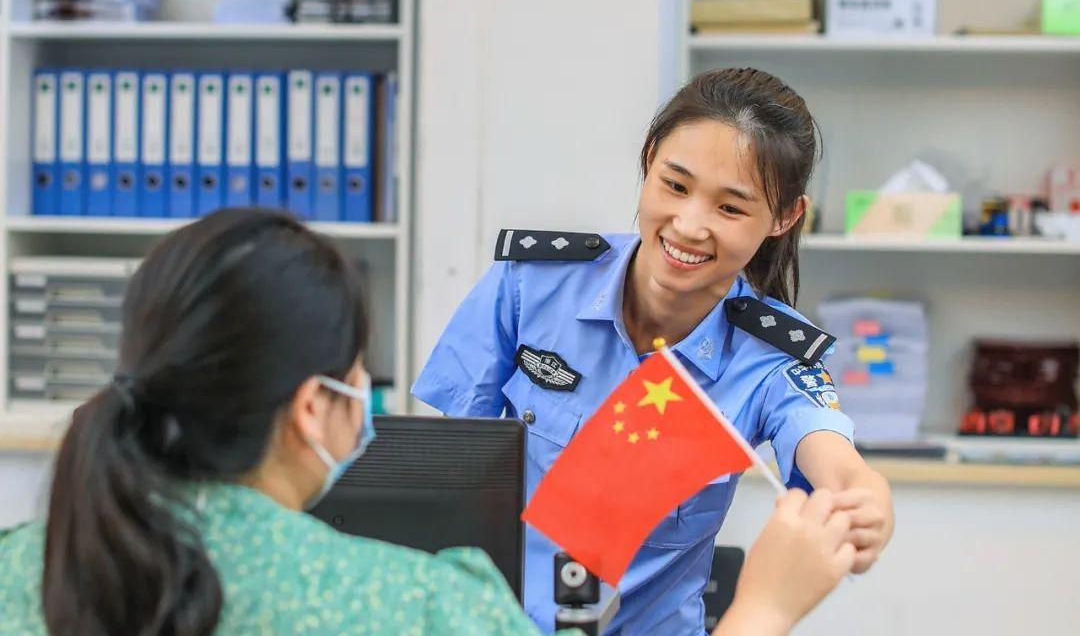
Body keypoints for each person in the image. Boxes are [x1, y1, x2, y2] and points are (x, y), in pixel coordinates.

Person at [0, 208, 853, 636]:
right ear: (313, 407)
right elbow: (464, 426)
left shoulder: (26, 562)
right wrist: (762, 610)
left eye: (730, 206)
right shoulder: (423, 608)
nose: (691, 226)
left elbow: (814, 425)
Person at [413, 67, 894, 634]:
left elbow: (835, 460)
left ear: (785, 217)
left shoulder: (772, 354)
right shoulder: (531, 283)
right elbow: (451, 470)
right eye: (676, 186)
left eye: (730, 208)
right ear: (648, 160)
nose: (688, 226)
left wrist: (867, 500)